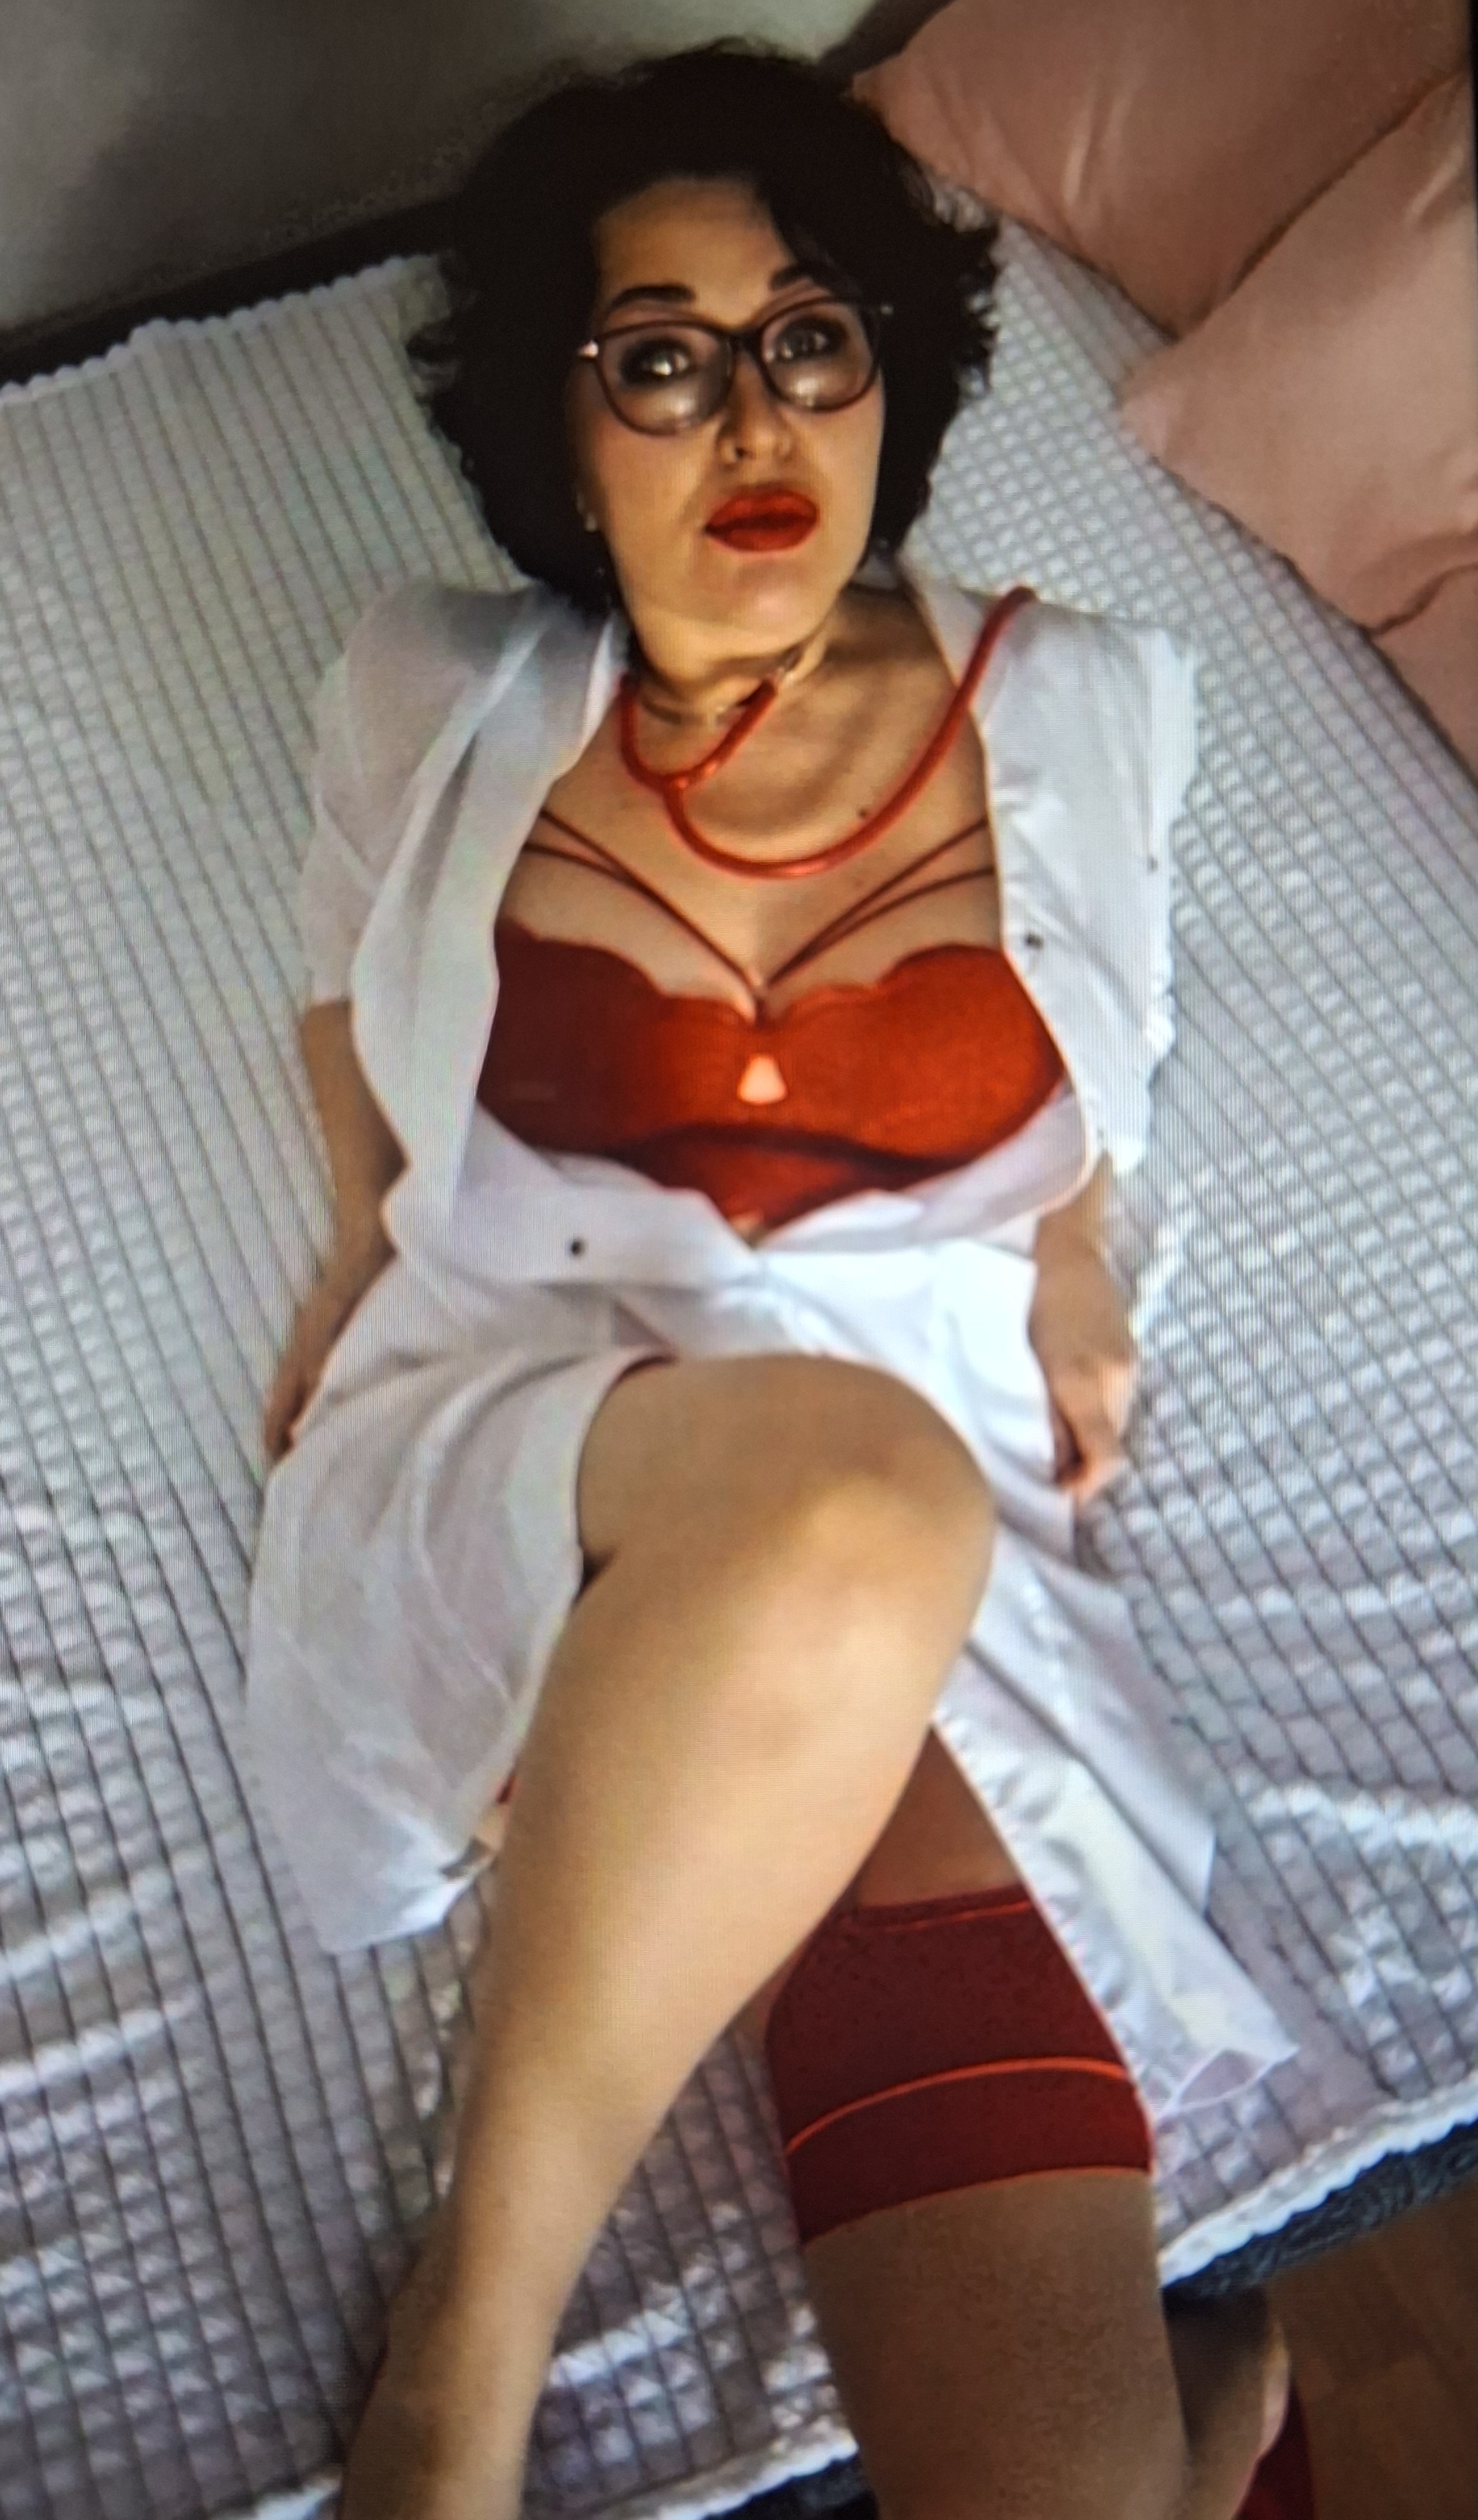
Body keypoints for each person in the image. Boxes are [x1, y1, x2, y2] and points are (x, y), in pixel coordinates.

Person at [245, 44, 1309, 2520]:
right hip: (527, 1404)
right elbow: (338, 966)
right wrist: (355, 1232)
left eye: (808, 338)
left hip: (905, 1453)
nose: (754, 416)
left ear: (886, 373)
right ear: (558, 428)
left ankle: (1216, 2407)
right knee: (847, 1504)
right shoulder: (435, 692)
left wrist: (1067, 1252)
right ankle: (463, 2371)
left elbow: (1109, 1028)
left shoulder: (1089, 703)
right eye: (660, 357)